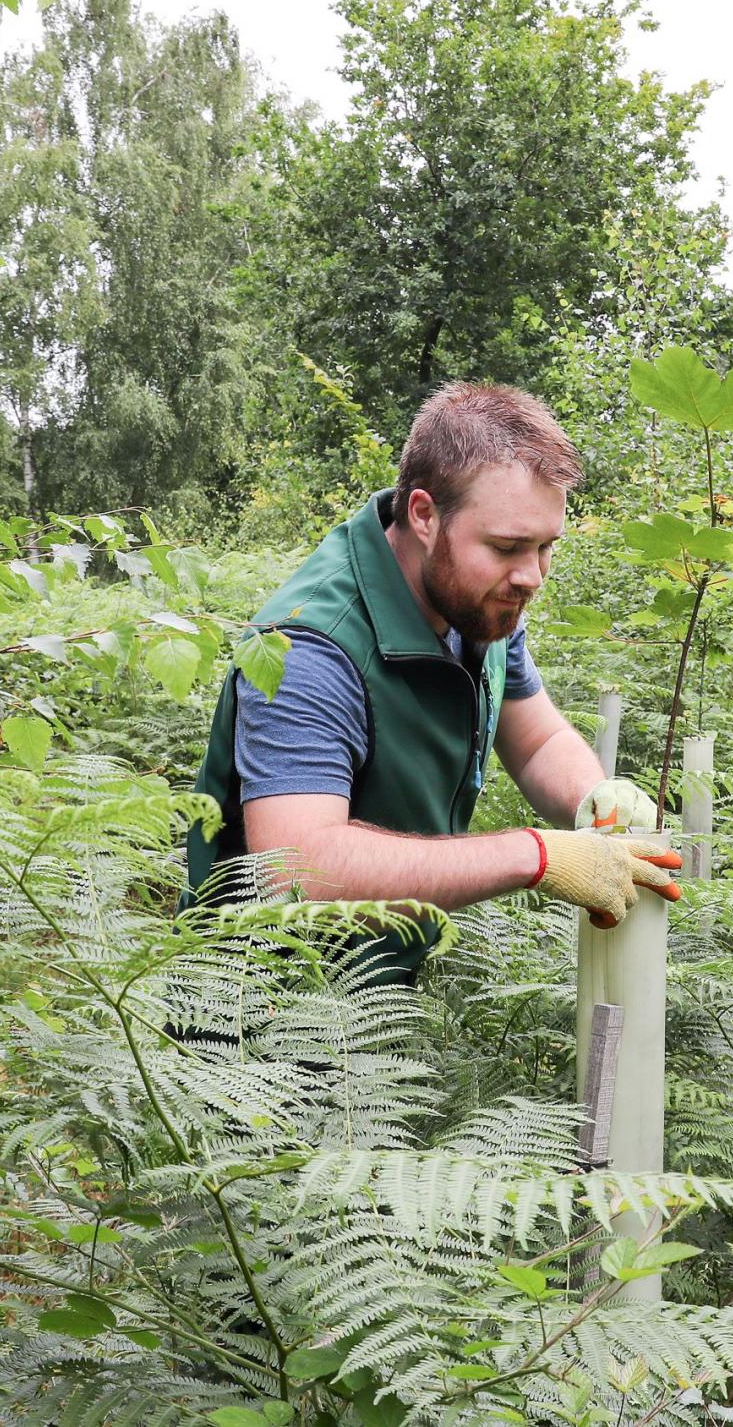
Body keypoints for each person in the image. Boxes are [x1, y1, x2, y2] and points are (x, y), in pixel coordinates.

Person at [185, 382, 681, 979]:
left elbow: (537, 741)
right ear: (423, 514)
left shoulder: (475, 599)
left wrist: (596, 803)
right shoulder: (310, 647)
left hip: (373, 995)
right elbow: (297, 872)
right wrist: (537, 856)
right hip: (254, 1011)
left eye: (547, 546)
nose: (532, 576)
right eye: (506, 546)